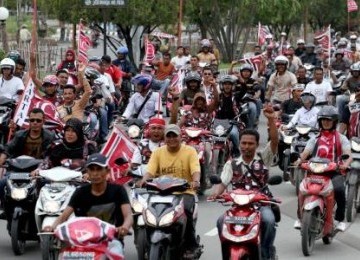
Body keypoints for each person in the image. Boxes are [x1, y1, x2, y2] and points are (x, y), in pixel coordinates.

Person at [209, 104, 279, 260]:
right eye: (244, 143)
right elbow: (223, 183)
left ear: (256, 145)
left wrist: (271, 120)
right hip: (238, 208)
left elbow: (274, 142)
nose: (247, 146)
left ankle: (267, 253)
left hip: (261, 205)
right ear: (239, 144)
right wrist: (215, 194)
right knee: (221, 221)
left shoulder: (263, 158)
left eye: (250, 143)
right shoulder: (231, 163)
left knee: (268, 220)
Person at [43, 153, 133, 250]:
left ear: (107, 171)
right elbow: (64, 216)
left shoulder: (118, 191)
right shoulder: (80, 192)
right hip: (83, 241)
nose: (95, 173)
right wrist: (52, 228)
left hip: (111, 241)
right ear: (87, 172)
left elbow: (128, 215)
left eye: (99, 169)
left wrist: (124, 227)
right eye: (92, 169)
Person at [138, 124, 201, 256]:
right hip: (162, 192)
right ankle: (145, 242)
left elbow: (195, 169)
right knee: (146, 210)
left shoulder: (190, 151)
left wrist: (195, 181)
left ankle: (191, 245)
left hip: (184, 193)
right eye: (169, 136)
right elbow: (150, 171)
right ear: (165, 138)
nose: (171, 139)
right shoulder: (158, 152)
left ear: (181, 137)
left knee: (186, 212)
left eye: (174, 136)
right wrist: (144, 180)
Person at [293, 106, 352, 232]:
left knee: (340, 190)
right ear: (320, 122)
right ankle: (299, 217)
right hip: (314, 171)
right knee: (302, 190)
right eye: (323, 120)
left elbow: (348, 154)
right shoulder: (315, 138)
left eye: (329, 120)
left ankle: (339, 220)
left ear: (334, 122)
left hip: (333, 172)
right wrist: (299, 160)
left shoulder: (341, 138)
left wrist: (345, 164)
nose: (326, 122)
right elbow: (306, 153)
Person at [215, 75, 242, 157]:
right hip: (218, 123)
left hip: (232, 122)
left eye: (229, 84)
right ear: (222, 86)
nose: (227, 86)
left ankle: (237, 151)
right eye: (225, 84)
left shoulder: (236, 96)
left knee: (234, 134)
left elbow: (243, 90)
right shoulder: (218, 96)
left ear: (232, 86)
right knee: (211, 137)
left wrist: (241, 81)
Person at [336, 62, 360, 133]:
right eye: (354, 71)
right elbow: (343, 86)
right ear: (351, 72)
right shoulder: (349, 79)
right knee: (340, 99)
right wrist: (343, 87)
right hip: (352, 96)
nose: (355, 73)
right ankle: (341, 120)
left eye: (357, 71)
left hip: (358, 97)